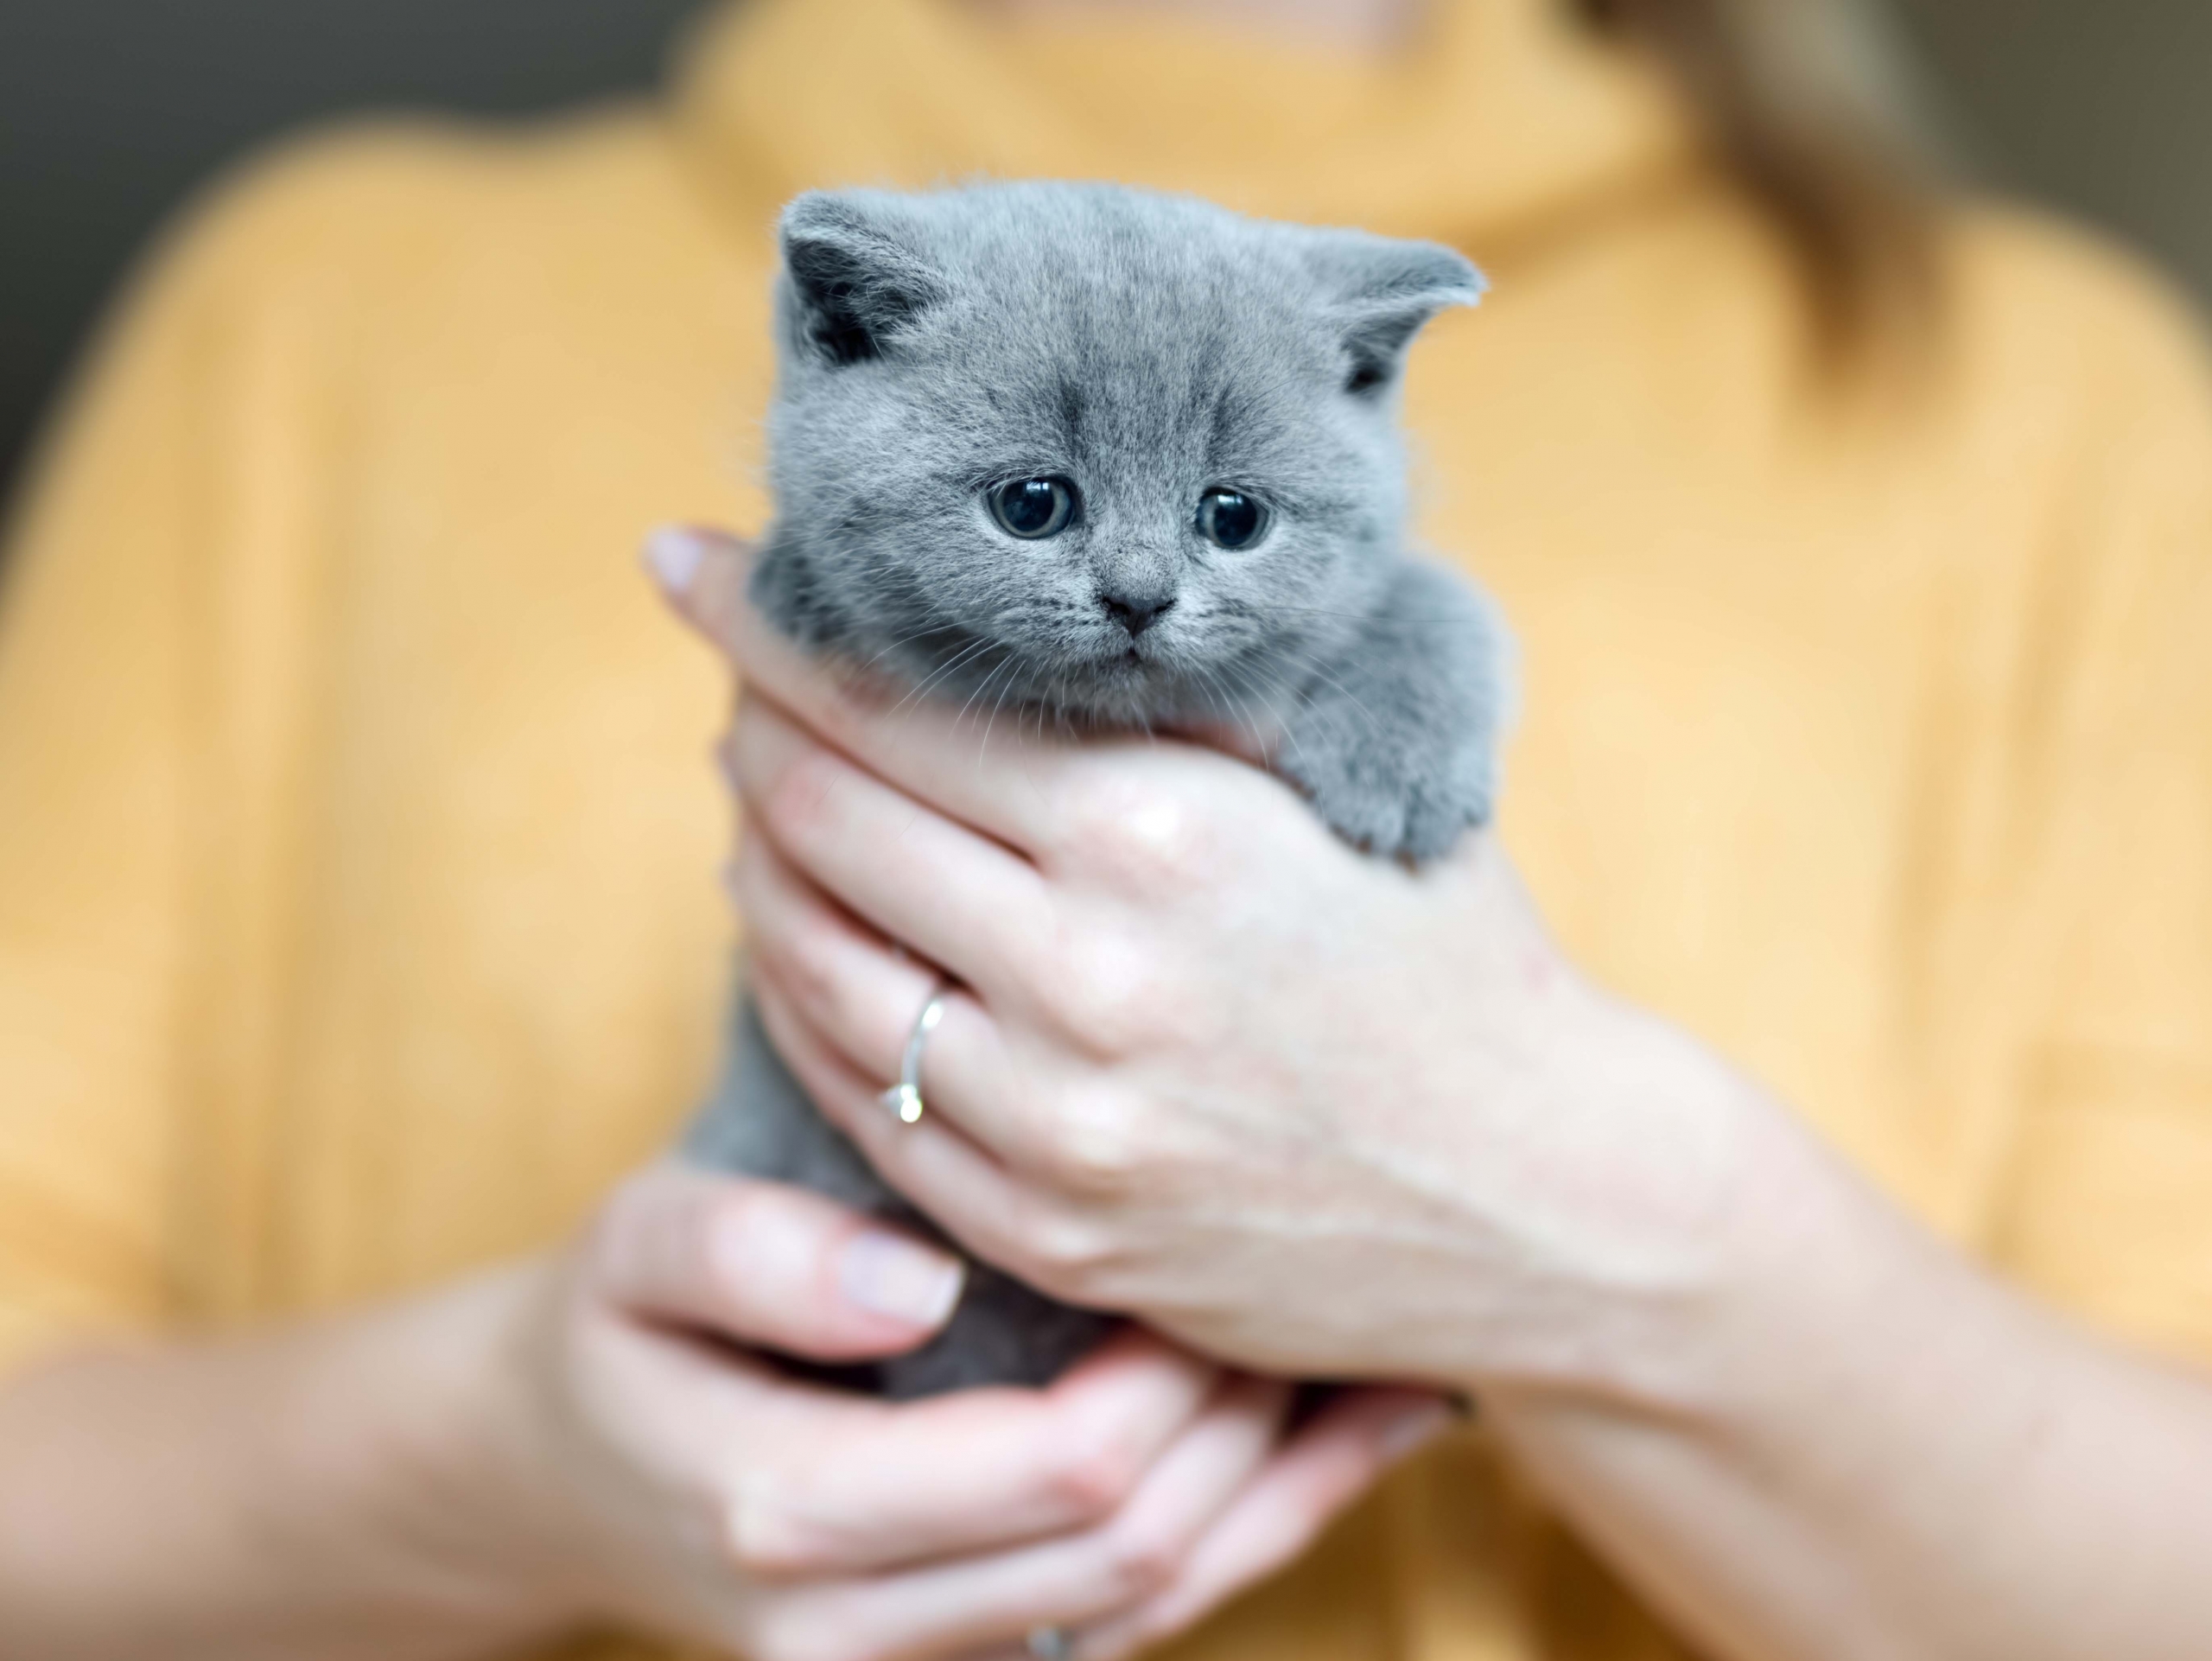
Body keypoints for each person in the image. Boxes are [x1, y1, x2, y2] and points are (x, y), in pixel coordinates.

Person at [1, 0, 2209, 1654]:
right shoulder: (324, 314)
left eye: (1230, 520)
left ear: (1368, 395)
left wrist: (1603, 1234)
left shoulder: (2048, 402)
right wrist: (510, 1447)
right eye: (1044, 508)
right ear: (836, 337)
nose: (1144, 594)